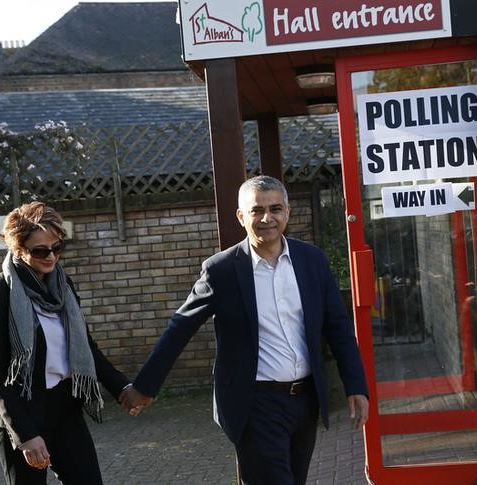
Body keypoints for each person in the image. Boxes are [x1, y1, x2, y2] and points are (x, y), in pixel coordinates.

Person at [120, 175, 369, 485]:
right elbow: (181, 327)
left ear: (287, 212)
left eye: (275, 208)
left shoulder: (312, 261)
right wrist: (145, 387)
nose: (267, 218)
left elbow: (338, 327)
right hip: (255, 405)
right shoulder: (221, 270)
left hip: (305, 402)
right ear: (241, 216)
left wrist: (355, 385)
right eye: (256, 210)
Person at [0, 201, 131, 484]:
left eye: (57, 247)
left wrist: (122, 387)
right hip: (21, 413)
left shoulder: (62, 286)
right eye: (40, 250)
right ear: (18, 249)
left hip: (64, 408)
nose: (51, 257)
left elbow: (84, 345)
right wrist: (25, 435)